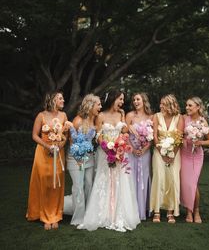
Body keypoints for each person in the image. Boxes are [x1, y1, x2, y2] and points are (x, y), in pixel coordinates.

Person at [78, 90, 140, 232]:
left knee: (120, 181)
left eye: (123, 100)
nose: (122, 102)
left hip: (120, 153)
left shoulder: (121, 114)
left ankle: (118, 215)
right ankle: (103, 214)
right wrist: (107, 149)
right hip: (105, 153)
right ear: (113, 99)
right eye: (120, 99)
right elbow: (98, 135)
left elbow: (124, 132)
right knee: (104, 180)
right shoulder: (101, 116)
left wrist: (119, 147)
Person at [26, 92, 69, 230]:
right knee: (44, 182)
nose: (63, 100)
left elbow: (65, 137)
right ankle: (45, 216)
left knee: (57, 183)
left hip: (58, 152)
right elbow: (34, 135)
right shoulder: (41, 115)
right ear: (52, 100)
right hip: (43, 152)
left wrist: (59, 146)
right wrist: (47, 146)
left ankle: (56, 215)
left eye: (63, 98)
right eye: (60, 98)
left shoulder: (64, 116)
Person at [64, 94, 102, 226]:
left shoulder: (96, 120)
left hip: (90, 158)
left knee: (89, 185)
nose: (100, 107)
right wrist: (78, 159)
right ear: (90, 105)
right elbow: (72, 142)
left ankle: (88, 214)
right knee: (78, 187)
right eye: (98, 104)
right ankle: (78, 218)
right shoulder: (78, 120)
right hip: (76, 159)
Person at [150, 94, 184, 223]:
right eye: (160, 104)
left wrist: (172, 154)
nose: (160, 106)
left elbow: (179, 138)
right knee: (159, 178)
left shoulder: (179, 118)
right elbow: (155, 136)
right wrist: (162, 153)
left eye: (163, 104)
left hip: (175, 154)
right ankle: (157, 210)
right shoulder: (156, 116)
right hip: (159, 153)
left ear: (170, 105)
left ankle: (170, 211)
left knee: (173, 179)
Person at [180, 97, 209, 223]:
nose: (187, 108)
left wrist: (200, 142)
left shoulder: (203, 122)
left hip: (197, 156)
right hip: (185, 154)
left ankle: (197, 211)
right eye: (186, 105)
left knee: (193, 184)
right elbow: (179, 134)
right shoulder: (183, 118)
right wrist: (183, 139)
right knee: (186, 184)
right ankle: (189, 211)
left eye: (190, 105)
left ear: (198, 107)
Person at [126, 92, 153, 220]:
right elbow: (125, 135)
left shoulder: (151, 117)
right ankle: (131, 209)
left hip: (145, 153)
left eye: (138, 99)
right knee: (131, 178)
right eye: (134, 100)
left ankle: (143, 209)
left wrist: (144, 149)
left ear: (144, 101)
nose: (136, 102)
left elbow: (152, 138)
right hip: (131, 152)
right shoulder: (130, 115)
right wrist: (132, 149)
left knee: (143, 177)